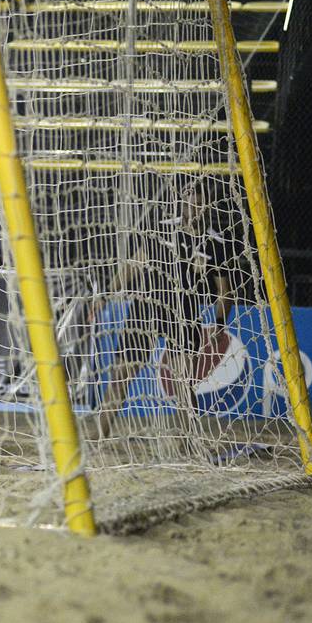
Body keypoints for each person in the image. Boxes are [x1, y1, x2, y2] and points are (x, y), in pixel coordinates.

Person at [93, 180, 237, 441]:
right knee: (121, 375)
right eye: (187, 196)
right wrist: (105, 294)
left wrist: (219, 322)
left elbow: (225, 291)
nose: (192, 202)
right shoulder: (162, 229)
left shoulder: (216, 242)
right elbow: (133, 266)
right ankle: (99, 438)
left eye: (197, 197)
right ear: (181, 201)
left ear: (207, 203)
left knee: (183, 382)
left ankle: (190, 443)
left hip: (183, 313)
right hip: (146, 308)